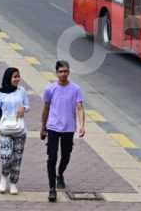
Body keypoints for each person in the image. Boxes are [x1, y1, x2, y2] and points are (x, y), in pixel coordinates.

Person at [40, 60, 86, 203]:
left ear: (69, 72)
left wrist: (82, 125)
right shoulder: (50, 89)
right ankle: (52, 189)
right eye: (60, 71)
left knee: (66, 155)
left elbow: (80, 108)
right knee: (52, 157)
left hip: (68, 128)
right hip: (53, 128)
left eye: (65, 71)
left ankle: (60, 174)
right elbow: (46, 108)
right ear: (56, 73)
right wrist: (43, 127)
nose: (63, 74)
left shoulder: (76, 89)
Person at [0, 67, 30, 195]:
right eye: (14, 76)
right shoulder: (1, 93)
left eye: (18, 76)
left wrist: (24, 109)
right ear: (8, 77)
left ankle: (14, 183)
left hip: (20, 130)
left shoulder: (22, 91)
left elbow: (27, 105)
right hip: (5, 129)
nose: (17, 79)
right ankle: (4, 178)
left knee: (17, 158)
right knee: (6, 156)